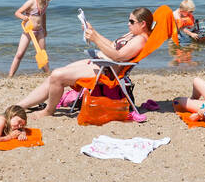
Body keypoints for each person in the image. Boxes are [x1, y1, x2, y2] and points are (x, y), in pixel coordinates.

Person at [15, 7, 153, 118]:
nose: (128, 24)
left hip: (106, 71)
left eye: (132, 21)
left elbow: (118, 56)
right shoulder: (134, 34)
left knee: (58, 76)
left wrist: (95, 40)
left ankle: (48, 111)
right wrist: (94, 32)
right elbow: (112, 46)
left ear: (143, 24)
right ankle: (20, 106)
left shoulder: (140, 40)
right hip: (100, 63)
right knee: (55, 75)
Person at [9, 0, 57, 76]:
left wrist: (44, 28)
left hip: (39, 32)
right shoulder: (32, 1)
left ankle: (48, 74)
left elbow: (43, 15)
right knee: (19, 54)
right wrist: (24, 17)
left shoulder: (45, 3)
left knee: (42, 54)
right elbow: (17, 13)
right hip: (28, 32)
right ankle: (10, 75)